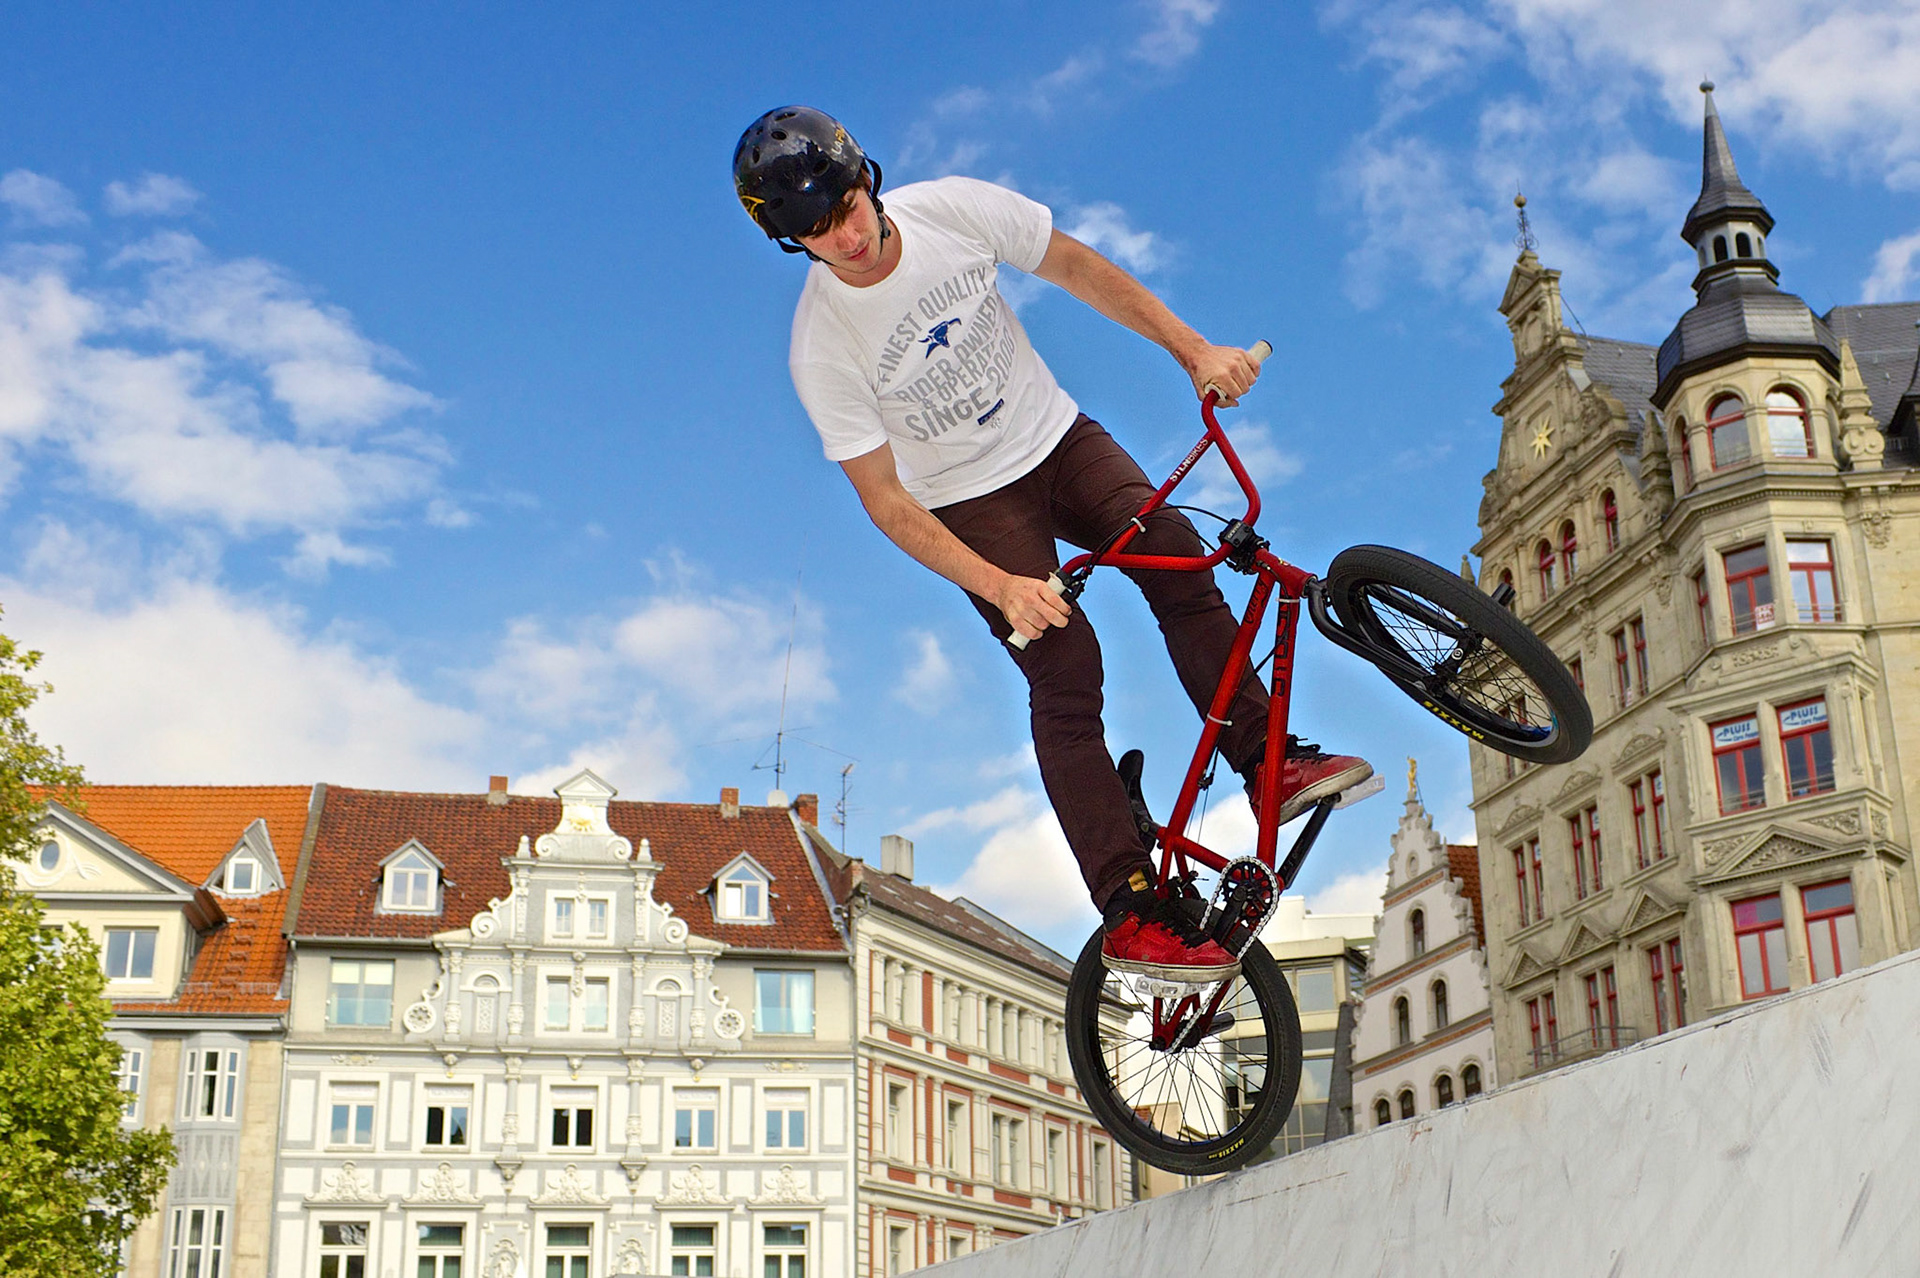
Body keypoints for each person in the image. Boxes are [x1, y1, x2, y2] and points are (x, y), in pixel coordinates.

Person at [735, 106, 1372, 981]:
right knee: (1067, 668)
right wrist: (1000, 587)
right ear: (791, 242)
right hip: (965, 503)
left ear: (866, 179)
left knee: (1179, 557)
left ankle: (1267, 763)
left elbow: (1075, 266)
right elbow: (884, 502)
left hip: (1057, 438)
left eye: (844, 208)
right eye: (813, 233)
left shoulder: (950, 210)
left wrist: (1192, 350)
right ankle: (1130, 904)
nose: (844, 238)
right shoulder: (822, 349)